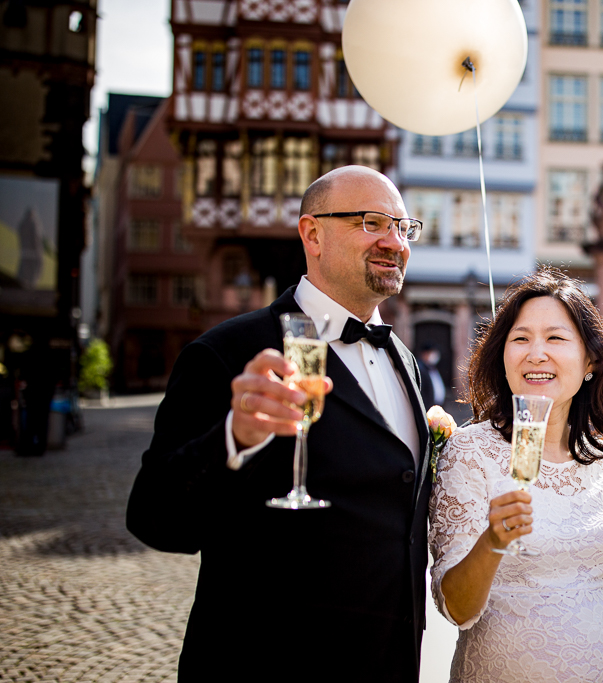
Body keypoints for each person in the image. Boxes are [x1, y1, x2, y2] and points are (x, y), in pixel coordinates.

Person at [126, 166, 431, 681]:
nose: (394, 242)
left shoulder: (405, 360)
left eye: (403, 228)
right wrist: (233, 438)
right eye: (372, 223)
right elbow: (154, 517)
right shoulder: (226, 352)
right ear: (312, 234)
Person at [428, 269, 603, 682]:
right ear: (502, 356)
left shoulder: (596, 455)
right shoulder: (470, 452)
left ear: (590, 360)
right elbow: (456, 608)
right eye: (521, 339)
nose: (536, 353)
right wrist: (493, 542)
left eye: (555, 338)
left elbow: (584, 582)